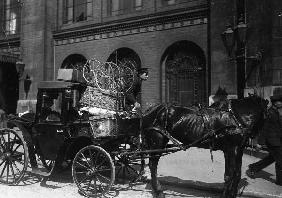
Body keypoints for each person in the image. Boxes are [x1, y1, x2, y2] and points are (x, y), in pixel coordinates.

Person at [246, 91, 282, 186]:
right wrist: (260, 143)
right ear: (275, 103)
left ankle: (254, 167)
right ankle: (280, 181)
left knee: (272, 158)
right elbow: (265, 128)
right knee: (280, 161)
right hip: (272, 141)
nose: (281, 103)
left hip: (277, 140)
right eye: (280, 102)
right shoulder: (270, 113)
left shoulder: (275, 112)